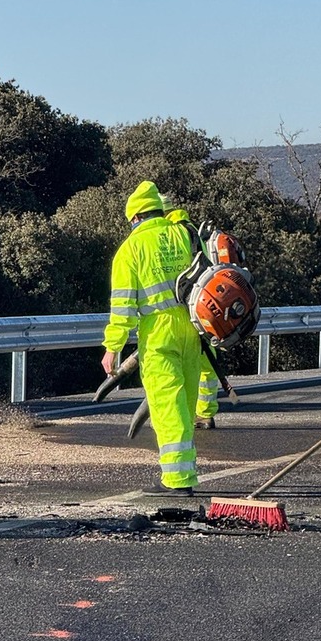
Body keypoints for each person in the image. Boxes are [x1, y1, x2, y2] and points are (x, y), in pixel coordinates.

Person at [102, 181, 201, 494]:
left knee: (167, 407)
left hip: (158, 335)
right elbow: (186, 223)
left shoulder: (130, 250)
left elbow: (123, 309)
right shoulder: (183, 233)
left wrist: (112, 347)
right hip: (192, 329)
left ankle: (178, 480)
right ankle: (184, 474)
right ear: (160, 210)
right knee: (185, 404)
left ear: (134, 218)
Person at [160, 194, 220, 429]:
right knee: (206, 363)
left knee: (183, 364)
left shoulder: (171, 233)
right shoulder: (190, 229)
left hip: (184, 307)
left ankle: (193, 413)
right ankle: (204, 412)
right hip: (201, 303)